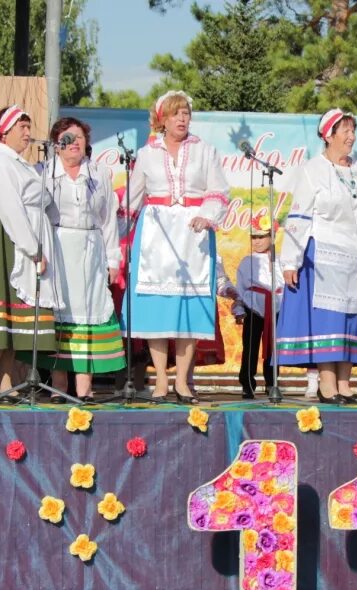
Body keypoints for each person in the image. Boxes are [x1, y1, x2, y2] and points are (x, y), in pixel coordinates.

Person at [123, 91, 229, 404]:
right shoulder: (147, 153)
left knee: (189, 309)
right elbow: (132, 197)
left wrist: (206, 216)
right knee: (157, 309)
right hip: (156, 233)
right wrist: (112, 235)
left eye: (185, 113)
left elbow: (219, 191)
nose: (182, 119)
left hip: (192, 234)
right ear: (162, 120)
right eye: (175, 114)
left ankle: (182, 381)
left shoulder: (204, 151)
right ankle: (159, 379)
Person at [276, 109, 357, 404]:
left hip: (356, 254)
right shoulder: (313, 169)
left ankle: (346, 386)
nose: (351, 136)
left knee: (351, 318)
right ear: (328, 136)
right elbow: (299, 216)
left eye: (353, 130)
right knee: (330, 320)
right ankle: (328, 385)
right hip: (324, 252)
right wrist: (290, 261)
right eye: (345, 131)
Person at [0, 105, 62, 399]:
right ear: (4, 131)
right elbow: (9, 207)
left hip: (18, 236)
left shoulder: (19, 162)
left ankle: (5, 382)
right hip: (2, 238)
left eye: (29, 128)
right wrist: (33, 249)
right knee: (0, 315)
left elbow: (42, 197)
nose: (28, 134)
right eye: (23, 128)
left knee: (13, 318)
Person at [38, 116, 126, 401]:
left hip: (90, 249)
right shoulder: (44, 173)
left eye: (79, 137)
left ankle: (84, 389)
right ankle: (59, 386)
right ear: (56, 144)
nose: (74, 143)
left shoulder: (99, 174)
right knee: (60, 316)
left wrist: (113, 260)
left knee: (88, 313)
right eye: (67, 138)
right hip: (58, 248)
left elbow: (108, 220)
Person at [235, 217, 282, 399]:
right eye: (254, 237)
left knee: (273, 348)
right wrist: (239, 308)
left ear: (272, 237)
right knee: (250, 347)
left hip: (276, 308)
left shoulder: (280, 260)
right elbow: (240, 287)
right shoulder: (247, 261)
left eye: (261, 237)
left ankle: (272, 383)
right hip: (253, 308)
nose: (257, 241)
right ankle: (247, 383)